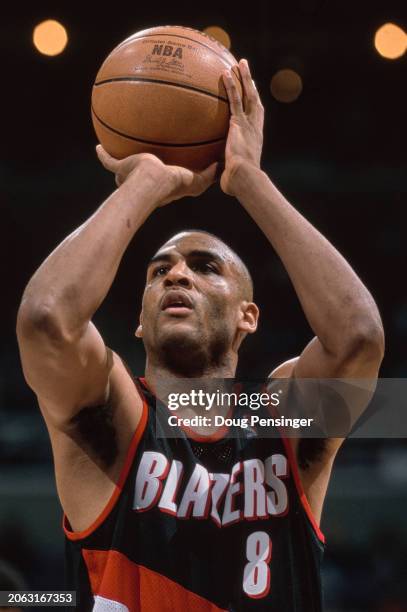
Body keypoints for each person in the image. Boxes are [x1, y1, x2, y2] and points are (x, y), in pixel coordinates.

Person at [16, 59, 384, 611]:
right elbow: (46, 319)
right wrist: (146, 183)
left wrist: (249, 182)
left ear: (248, 317)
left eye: (206, 266)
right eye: (159, 270)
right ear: (140, 320)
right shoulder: (115, 417)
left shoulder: (279, 420)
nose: (178, 274)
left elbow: (358, 336)